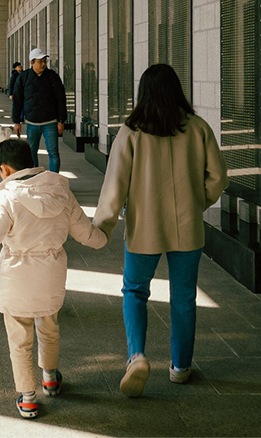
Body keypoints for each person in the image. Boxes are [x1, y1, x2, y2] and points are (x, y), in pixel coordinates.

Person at [0, 139, 107, 419]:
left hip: (17, 277)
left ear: (5, 169)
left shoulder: (8, 197)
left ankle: (28, 398)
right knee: (49, 327)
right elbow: (85, 233)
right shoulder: (61, 189)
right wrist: (103, 237)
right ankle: (51, 378)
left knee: (19, 338)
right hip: (51, 275)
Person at [92, 64, 228, 396]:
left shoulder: (131, 132)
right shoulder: (197, 128)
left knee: (135, 291)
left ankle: (137, 356)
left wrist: (101, 227)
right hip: (187, 228)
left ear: (144, 93)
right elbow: (219, 177)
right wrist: (197, 202)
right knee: (184, 297)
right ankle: (181, 367)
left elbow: (115, 186)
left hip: (145, 227)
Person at [12, 49, 67, 172]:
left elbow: (61, 99)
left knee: (53, 153)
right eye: (40, 61)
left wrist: (61, 120)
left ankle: (54, 180)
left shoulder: (52, 77)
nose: (43, 64)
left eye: (44, 61)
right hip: (32, 123)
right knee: (31, 153)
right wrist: (16, 122)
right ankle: (35, 178)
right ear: (32, 62)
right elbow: (17, 101)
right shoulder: (23, 77)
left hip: (50, 122)